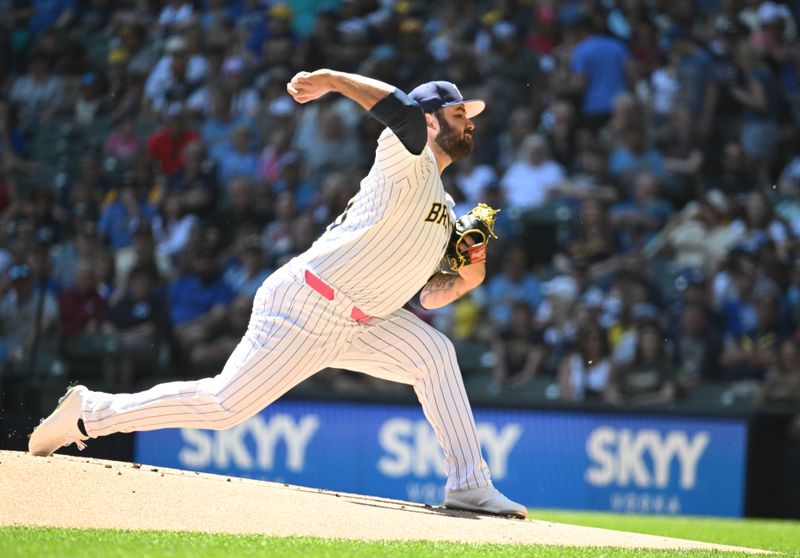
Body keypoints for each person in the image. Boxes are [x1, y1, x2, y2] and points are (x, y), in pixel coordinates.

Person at [28, 69, 527, 519]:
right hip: (308, 303)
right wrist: (332, 79)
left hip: (363, 321)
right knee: (224, 407)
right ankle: (88, 413)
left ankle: (469, 484)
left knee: (435, 353)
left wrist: (471, 274)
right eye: (460, 113)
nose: (470, 123)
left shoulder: (445, 206)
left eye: (470, 115)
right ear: (431, 119)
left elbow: (431, 299)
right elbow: (398, 105)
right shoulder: (406, 155)